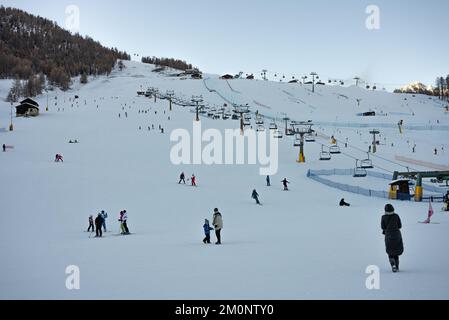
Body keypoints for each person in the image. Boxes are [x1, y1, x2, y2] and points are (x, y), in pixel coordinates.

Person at [381, 204, 404, 273]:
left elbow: (383, 227)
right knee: (396, 250)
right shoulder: (396, 216)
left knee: (390, 250)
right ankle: (397, 266)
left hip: (388, 235)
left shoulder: (383, 217)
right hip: (397, 234)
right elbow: (400, 225)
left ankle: (393, 265)